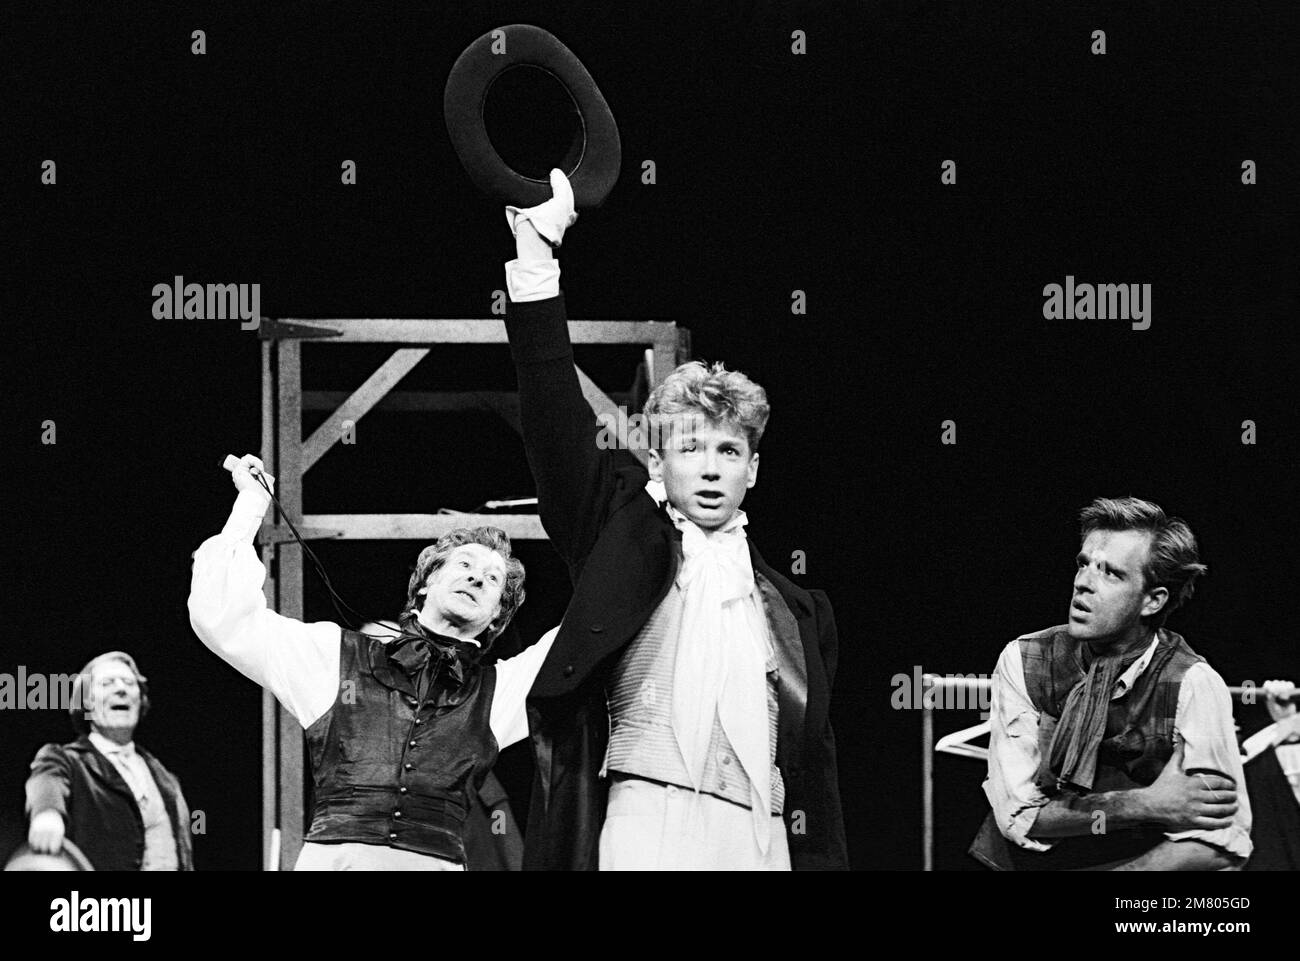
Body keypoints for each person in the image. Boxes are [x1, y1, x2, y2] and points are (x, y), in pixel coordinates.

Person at [500, 170, 848, 870]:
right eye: (691, 447)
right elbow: (554, 414)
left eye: (729, 449)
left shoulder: (801, 609)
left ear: (753, 468)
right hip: (645, 818)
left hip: (762, 833)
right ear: (658, 465)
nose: (713, 466)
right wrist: (538, 258)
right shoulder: (619, 534)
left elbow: (820, 776)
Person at [188, 454, 556, 870]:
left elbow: (591, 628)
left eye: (492, 579)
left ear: (496, 618)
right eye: (465, 565)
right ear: (425, 585)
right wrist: (251, 504)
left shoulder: (501, 691)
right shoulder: (334, 656)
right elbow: (223, 618)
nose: (476, 578)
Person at [972, 496, 1252, 870]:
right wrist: (1146, 803)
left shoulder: (1193, 683)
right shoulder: (1025, 659)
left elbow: (1220, 839)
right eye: (1084, 564)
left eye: (1111, 573)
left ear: (1152, 601)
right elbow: (1018, 816)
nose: (1083, 583)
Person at [25, 651, 194, 871]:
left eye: (129, 683)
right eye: (107, 683)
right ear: (87, 702)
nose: (121, 689)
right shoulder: (66, 760)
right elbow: (47, 782)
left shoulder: (166, 778)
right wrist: (47, 814)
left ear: (140, 699)